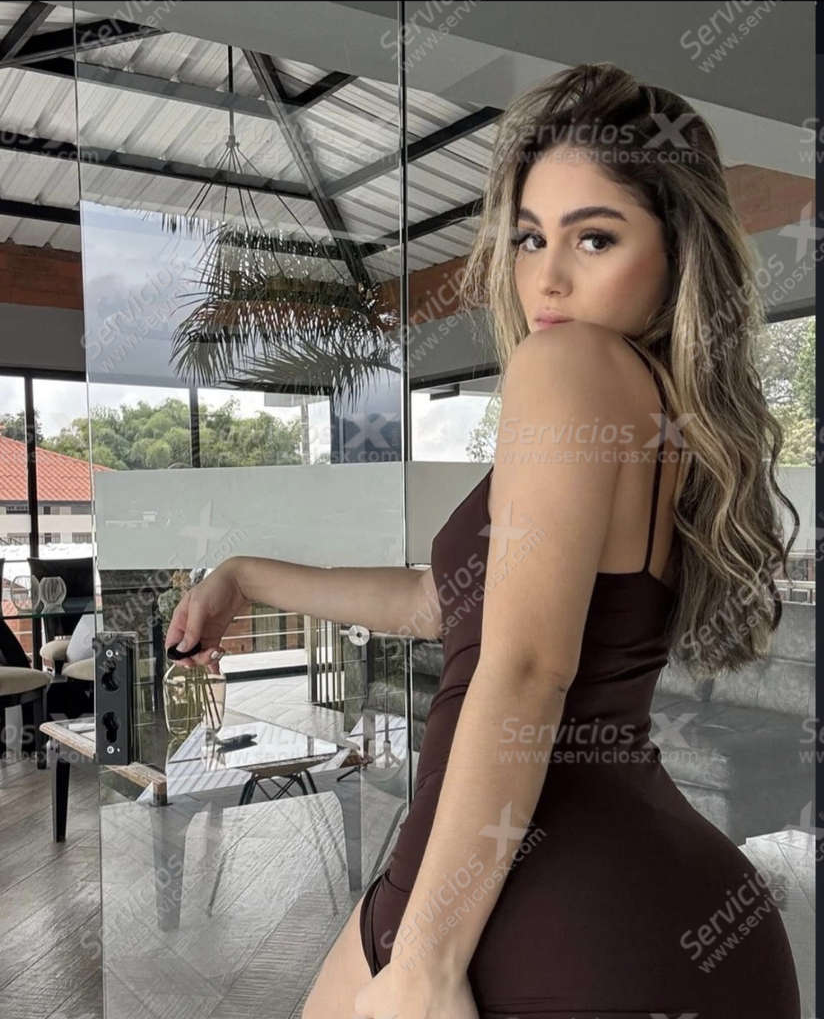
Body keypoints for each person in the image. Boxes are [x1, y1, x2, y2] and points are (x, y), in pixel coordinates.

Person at [165, 62, 802, 1019]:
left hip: (527, 913)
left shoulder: (568, 364)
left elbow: (528, 667)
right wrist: (247, 575)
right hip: (664, 898)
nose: (548, 275)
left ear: (676, 254)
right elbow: (439, 604)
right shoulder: (663, 412)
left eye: (595, 237)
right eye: (530, 237)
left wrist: (423, 961)